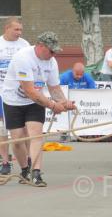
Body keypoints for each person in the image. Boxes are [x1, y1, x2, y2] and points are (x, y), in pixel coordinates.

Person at [2, 31, 76, 186]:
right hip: (13, 101)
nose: (54, 54)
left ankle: (36, 172)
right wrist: (52, 105)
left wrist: (65, 102)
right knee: (17, 140)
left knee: (36, 135)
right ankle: (24, 169)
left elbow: (54, 87)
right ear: (40, 46)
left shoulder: (51, 61)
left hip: (35, 102)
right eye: (51, 50)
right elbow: (29, 91)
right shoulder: (23, 58)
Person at [0, 17, 30, 175]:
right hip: (1, 92)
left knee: (24, 128)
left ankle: (28, 158)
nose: (19, 33)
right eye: (16, 29)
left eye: (21, 30)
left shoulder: (24, 45)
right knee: (2, 129)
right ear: (7, 28)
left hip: (20, 92)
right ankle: (5, 161)